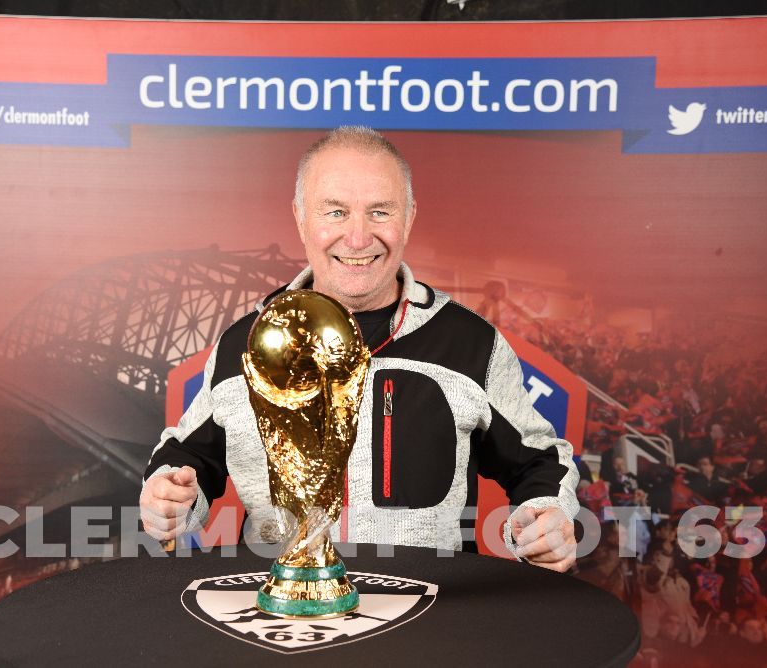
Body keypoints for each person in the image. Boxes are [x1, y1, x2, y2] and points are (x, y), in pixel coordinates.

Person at [139, 126, 579, 571]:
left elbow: (539, 462)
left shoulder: (471, 344)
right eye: (335, 212)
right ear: (300, 217)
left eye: (380, 212)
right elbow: (188, 454)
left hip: (430, 620)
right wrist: (171, 494)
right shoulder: (249, 341)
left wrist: (541, 518)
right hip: (280, 621)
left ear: (408, 218)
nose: (357, 238)